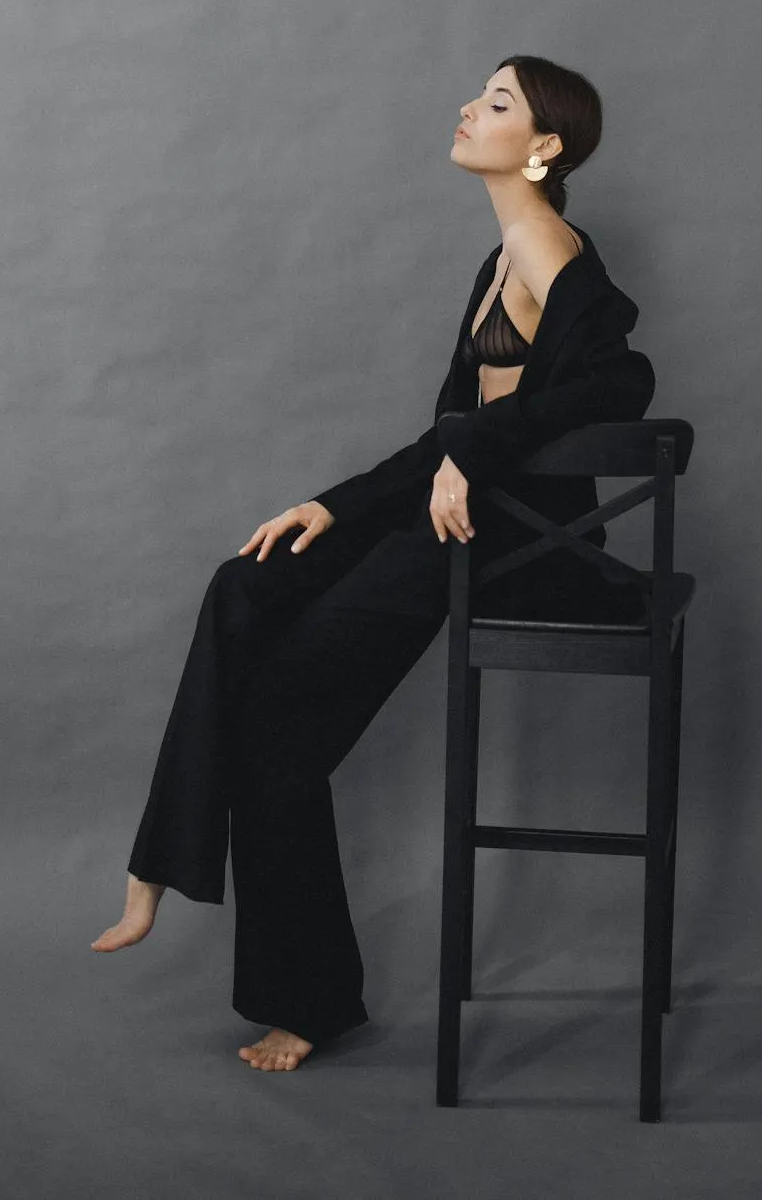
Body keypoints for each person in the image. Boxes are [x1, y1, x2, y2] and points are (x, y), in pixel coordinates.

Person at [90, 54, 656, 1075]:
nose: (467, 108)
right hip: (456, 515)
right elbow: (446, 433)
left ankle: (305, 1002)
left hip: (510, 541)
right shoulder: (497, 258)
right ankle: (156, 870)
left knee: (275, 738)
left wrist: (470, 457)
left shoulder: (541, 239)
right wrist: (331, 504)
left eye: (495, 103)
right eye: (476, 93)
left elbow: (622, 377)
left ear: (542, 147)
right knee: (245, 583)